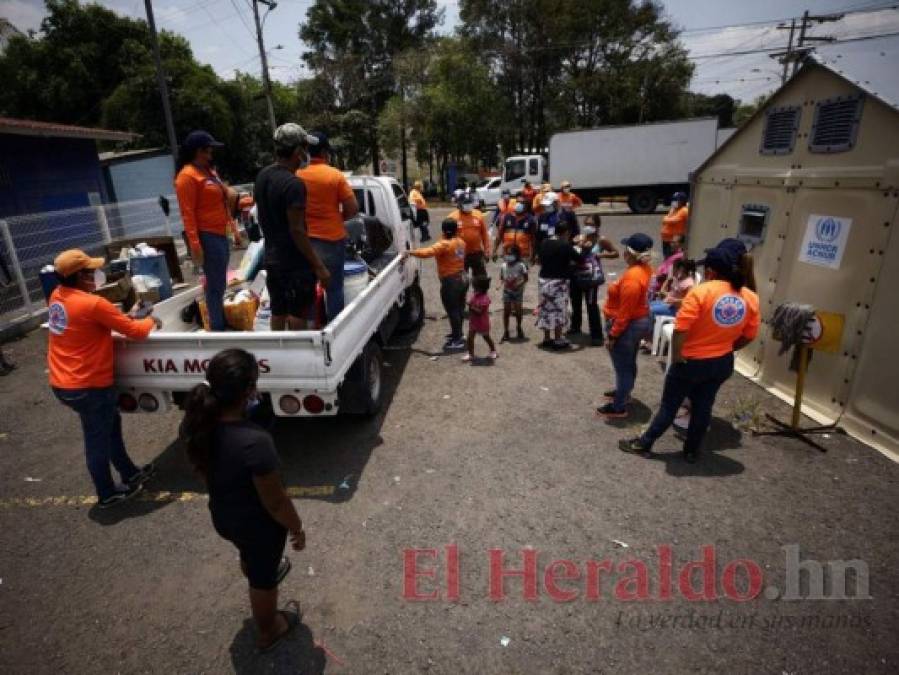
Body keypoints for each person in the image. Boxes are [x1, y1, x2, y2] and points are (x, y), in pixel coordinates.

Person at [181, 349, 305, 651]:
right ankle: (268, 629)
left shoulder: (196, 426)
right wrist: (296, 528)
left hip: (224, 516)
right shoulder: (254, 442)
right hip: (257, 525)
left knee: (251, 557)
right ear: (249, 390)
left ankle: (257, 567)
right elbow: (275, 502)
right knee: (263, 581)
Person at [620, 244, 761, 463]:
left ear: (711, 271)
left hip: (691, 361)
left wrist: (676, 356)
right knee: (703, 407)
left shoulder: (701, 292)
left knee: (669, 406)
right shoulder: (750, 297)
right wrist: (727, 348)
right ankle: (691, 451)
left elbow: (681, 329)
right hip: (721, 363)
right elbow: (750, 335)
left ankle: (644, 443)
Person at [48, 249, 160, 507]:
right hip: (88, 384)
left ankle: (130, 473)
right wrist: (151, 319)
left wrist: (125, 317)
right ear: (79, 276)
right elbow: (135, 331)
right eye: (90, 271)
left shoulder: (57, 297)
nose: (96, 275)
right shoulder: (92, 304)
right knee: (98, 438)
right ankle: (107, 493)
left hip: (63, 381)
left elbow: (91, 325)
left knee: (110, 428)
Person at [255, 123, 331, 331]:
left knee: (278, 311)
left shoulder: (263, 176)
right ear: (297, 151)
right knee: (298, 313)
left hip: (271, 258)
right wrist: (318, 265)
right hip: (294, 263)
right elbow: (297, 230)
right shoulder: (293, 184)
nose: (306, 154)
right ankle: (297, 358)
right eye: (305, 149)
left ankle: (278, 354)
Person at [297, 130, 360, 322]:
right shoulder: (335, 175)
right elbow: (353, 208)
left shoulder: (296, 175)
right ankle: (334, 329)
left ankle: (308, 331)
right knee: (334, 289)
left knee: (306, 288)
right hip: (331, 240)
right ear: (324, 152)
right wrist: (337, 218)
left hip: (304, 242)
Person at [175, 130, 233, 331]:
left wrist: (232, 229)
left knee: (219, 284)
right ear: (196, 152)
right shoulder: (187, 177)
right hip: (207, 236)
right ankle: (218, 328)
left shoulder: (209, 172)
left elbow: (225, 200)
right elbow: (187, 214)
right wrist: (195, 245)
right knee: (215, 286)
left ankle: (219, 321)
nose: (210, 156)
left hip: (220, 233)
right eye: (207, 151)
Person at [598, 233, 654, 419]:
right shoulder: (645, 269)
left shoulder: (632, 277)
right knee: (628, 362)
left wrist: (613, 335)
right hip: (638, 322)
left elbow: (625, 313)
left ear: (629, 253)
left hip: (628, 325)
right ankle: (624, 392)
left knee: (623, 366)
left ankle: (619, 405)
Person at [404, 219, 467, 350]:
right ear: (456, 230)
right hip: (463, 277)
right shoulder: (461, 242)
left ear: (443, 230)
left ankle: (457, 339)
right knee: (459, 308)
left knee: (452, 310)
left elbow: (427, 252)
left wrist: (410, 252)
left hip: (451, 281)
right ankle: (459, 334)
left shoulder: (444, 244)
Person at [568, 222, 617, 346]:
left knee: (591, 306)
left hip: (591, 278)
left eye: (590, 224)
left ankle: (596, 335)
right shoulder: (579, 238)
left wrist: (600, 255)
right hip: (576, 275)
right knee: (575, 302)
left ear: (597, 226)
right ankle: (575, 327)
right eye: (586, 224)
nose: (587, 226)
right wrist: (575, 244)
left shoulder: (601, 240)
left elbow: (615, 253)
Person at [536, 220, 580, 349]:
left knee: (545, 309)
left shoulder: (544, 242)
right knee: (559, 310)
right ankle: (558, 338)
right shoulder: (565, 245)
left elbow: (539, 259)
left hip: (544, 280)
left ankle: (546, 338)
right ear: (566, 233)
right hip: (558, 282)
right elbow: (579, 259)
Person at [448, 193, 490, 278]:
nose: (468, 205)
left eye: (469, 203)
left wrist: (487, 250)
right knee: (460, 281)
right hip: (460, 254)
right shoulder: (452, 217)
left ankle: (479, 291)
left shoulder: (478, 214)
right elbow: (447, 238)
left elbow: (484, 234)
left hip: (477, 253)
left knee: (481, 278)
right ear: (459, 204)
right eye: (465, 203)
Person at [463, 275, 497, 362]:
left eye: (474, 286)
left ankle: (493, 351)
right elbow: (472, 305)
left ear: (480, 288)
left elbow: (479, 312)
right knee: (470, 338)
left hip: (482, 323)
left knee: (486, 337)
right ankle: (471, 354)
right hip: (474, 322)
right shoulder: (475, 295)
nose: (473, 287)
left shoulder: (485, 299)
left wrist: (470, 305)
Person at [499, 244, 528, 342]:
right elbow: (502, 278)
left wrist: (518, 284)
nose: (508, 256)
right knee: (506, 312)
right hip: (507, 291)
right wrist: (501, 284)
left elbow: (525, 278)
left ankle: (519, 327)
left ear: (516, 255)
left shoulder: (521, 265)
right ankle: (506, 331)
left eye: (511, 254)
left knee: (518, 311)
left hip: (518, 292)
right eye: (507, 253)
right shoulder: (503, 265)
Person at [660, 192, 689, 258]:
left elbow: (669, 220)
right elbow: (666, 220)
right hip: (666, 239)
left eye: (676, 200)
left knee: (672, 259)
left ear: (682, 201)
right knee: (667, 258)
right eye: (673, 200)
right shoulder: (675, 209)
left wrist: (666, 218)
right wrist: (672, 210)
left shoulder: (684, 210)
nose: (674, 202)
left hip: (674, 240)